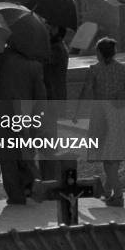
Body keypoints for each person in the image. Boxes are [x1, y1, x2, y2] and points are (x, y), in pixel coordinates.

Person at [73, 37, 125, 207]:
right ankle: (108, 192)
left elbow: (85, 92)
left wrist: (76, 112)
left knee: (108, 159)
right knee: (114, 159)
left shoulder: (94, 70)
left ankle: (119, 195)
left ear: (99, 53)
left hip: (102, 116)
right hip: (121, 116)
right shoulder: (124, 70)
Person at [0, 45, 46, 205]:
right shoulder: (35, 65)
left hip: (3, 110)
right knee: (26, 152)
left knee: (7, 154)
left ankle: (15, 195)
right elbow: (40, 95)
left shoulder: (4, 57)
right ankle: (34, 184)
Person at [41, 26, 69, 180]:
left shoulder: (56, 50)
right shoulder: (58, 47)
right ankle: (48, 174)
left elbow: (44, 62)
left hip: (52, 98)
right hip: (52, 97)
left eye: (50, 28)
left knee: (48, 139)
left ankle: (50, 176)